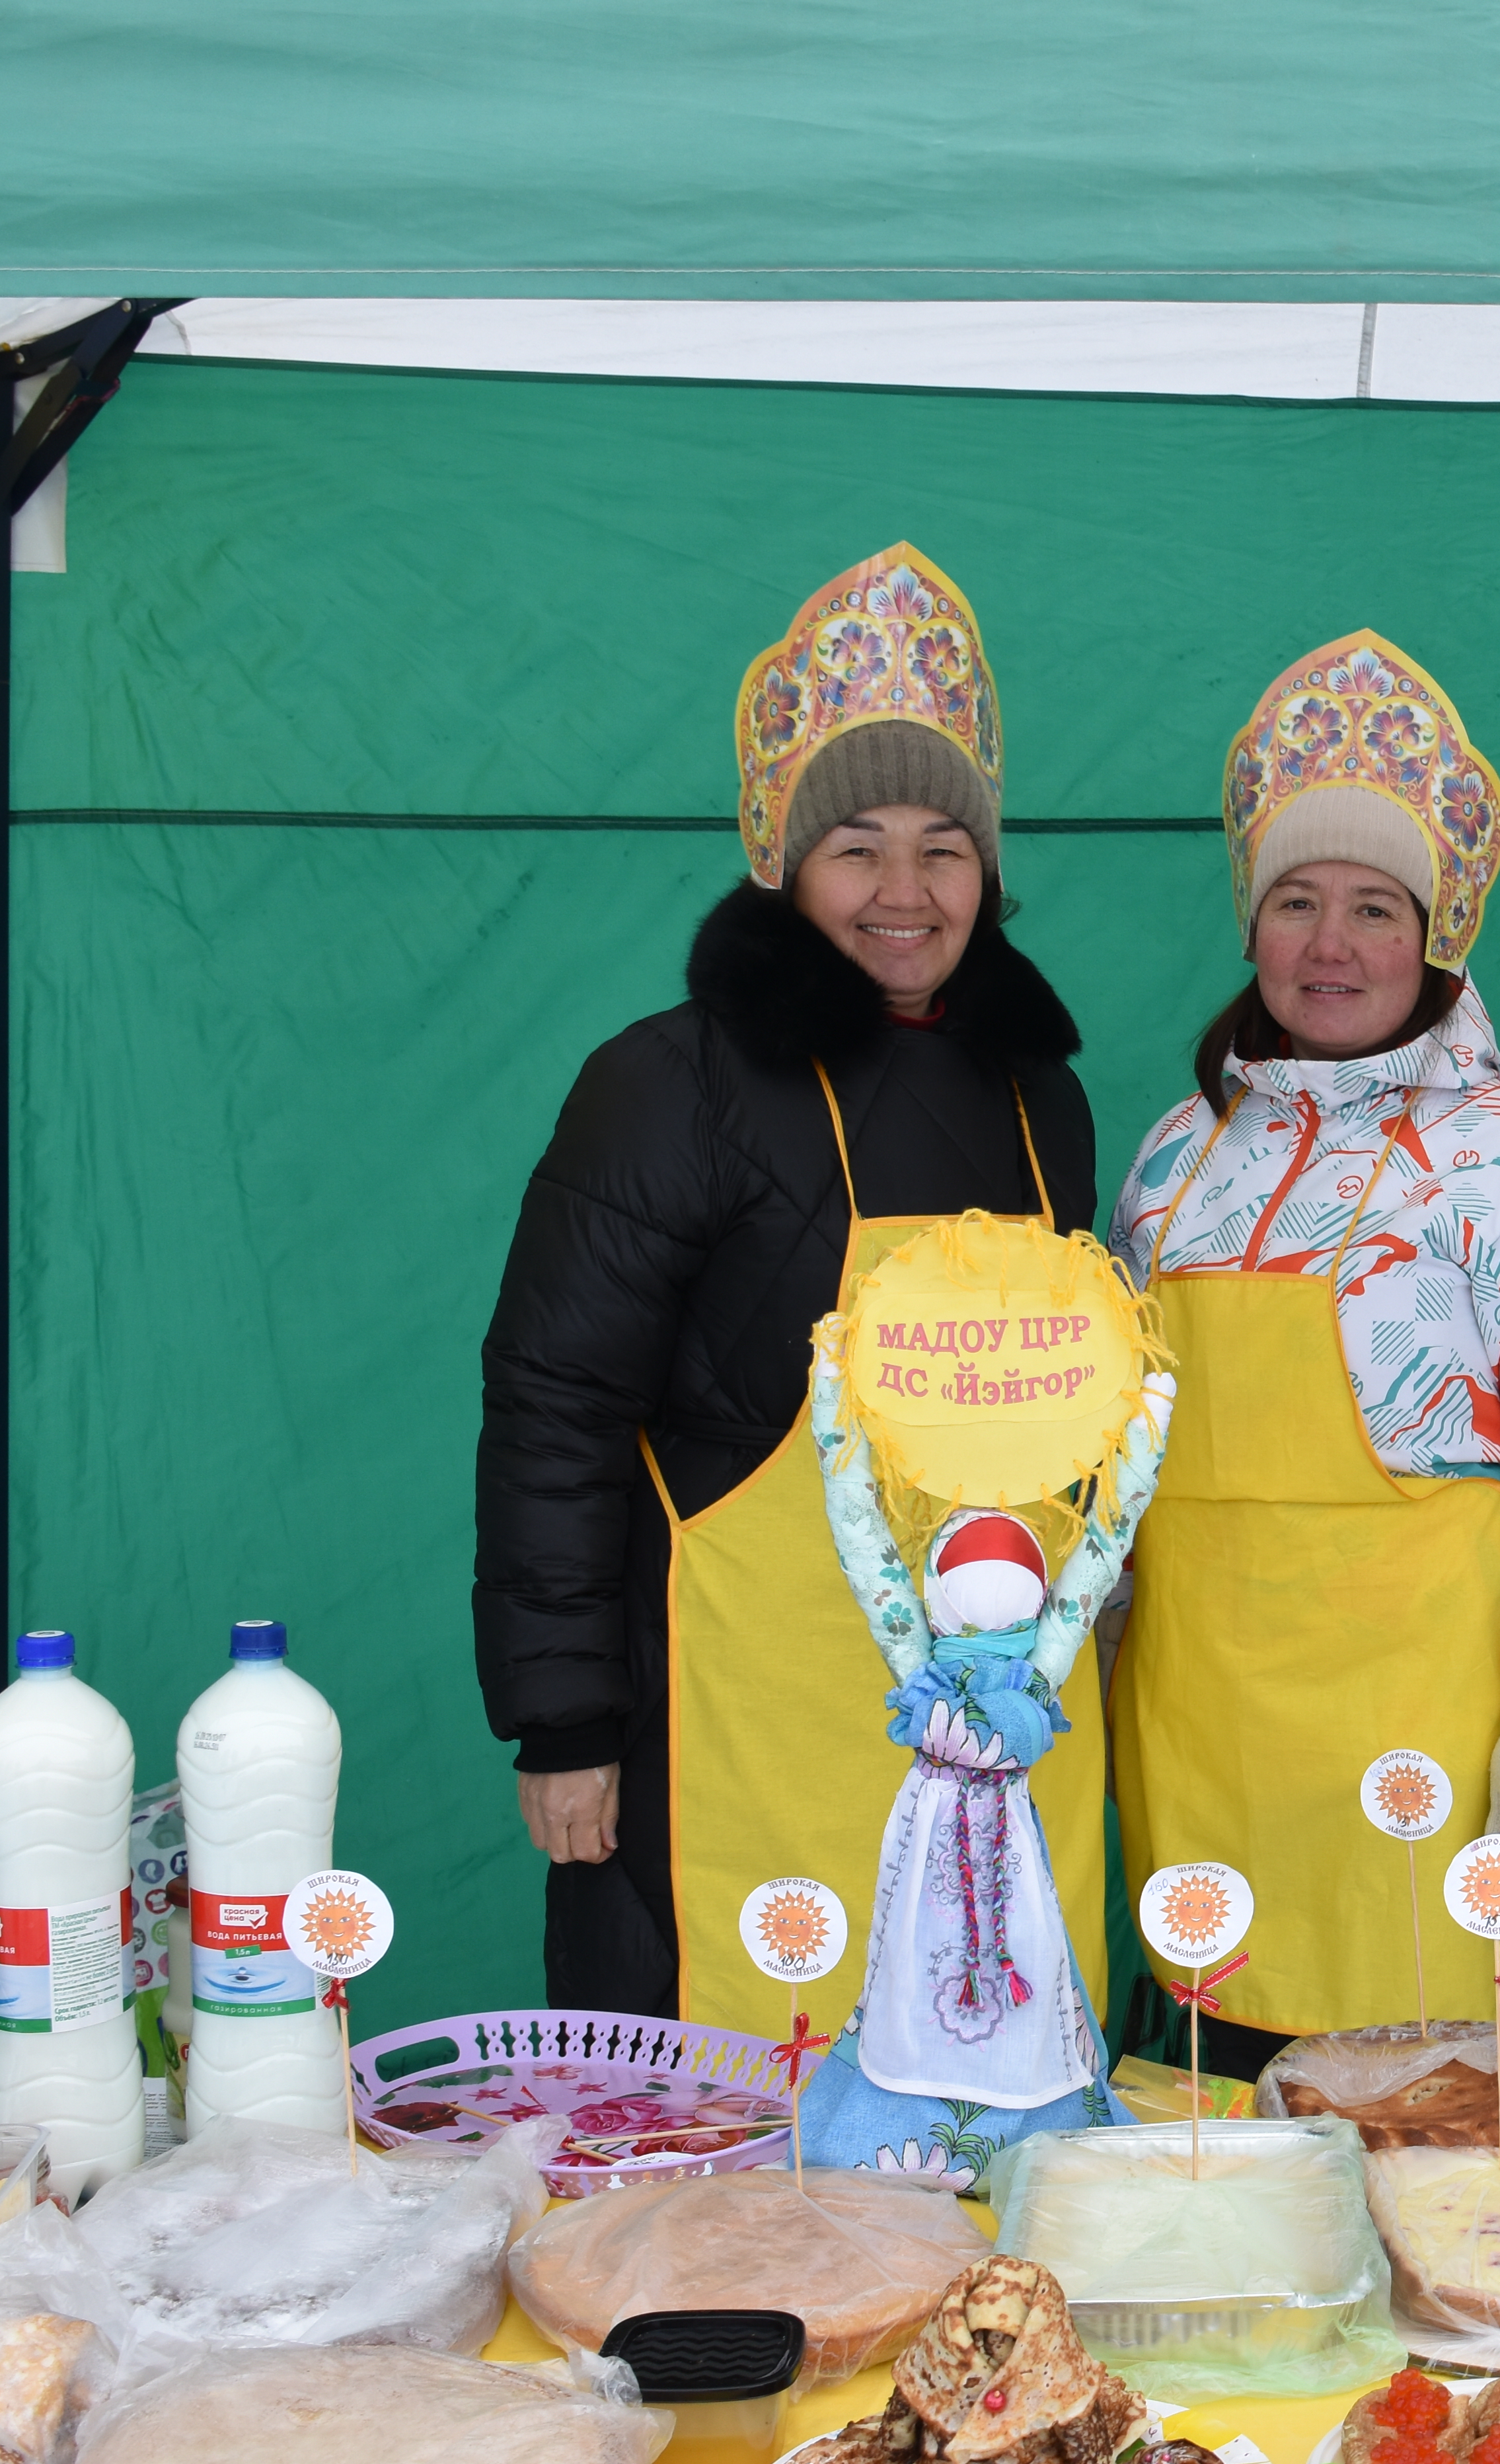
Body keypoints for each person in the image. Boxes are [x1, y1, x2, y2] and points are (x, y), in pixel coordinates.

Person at [476, 544, 1116, 2077]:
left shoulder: (1046, 1100)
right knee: (729, 2126)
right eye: (858, 846)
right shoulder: (668, 1085)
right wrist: (563, 1722)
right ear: (781, 859)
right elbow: (556, 1407)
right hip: (733, 1712)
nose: (905, 893)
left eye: (945, 846)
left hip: (991, 1727)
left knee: (977, 2096)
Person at [1107, 632, 1500, 2070]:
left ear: (1435, 933)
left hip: (1417, 1724)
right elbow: (1114, 1433)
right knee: (1215, 2102)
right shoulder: (1173, 1163)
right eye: (1297, 901)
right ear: (1251, 922)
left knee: (1425, 2113)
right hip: (1200, 1723)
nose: (1331, 943)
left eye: (1372, 905)